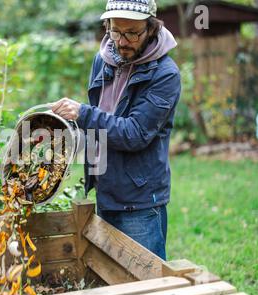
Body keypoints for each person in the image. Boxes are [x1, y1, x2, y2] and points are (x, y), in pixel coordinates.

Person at [51, 0, 181, 260]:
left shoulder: (165, 75)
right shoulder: (103, 61)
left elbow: (134, 133)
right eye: (115, 31)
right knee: (111, 275)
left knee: (147, 284)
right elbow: (101, 121)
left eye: (132, 33)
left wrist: (83, 113)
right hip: (106, 188)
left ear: (152, 28)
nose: (122, 41)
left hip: (139, 200)